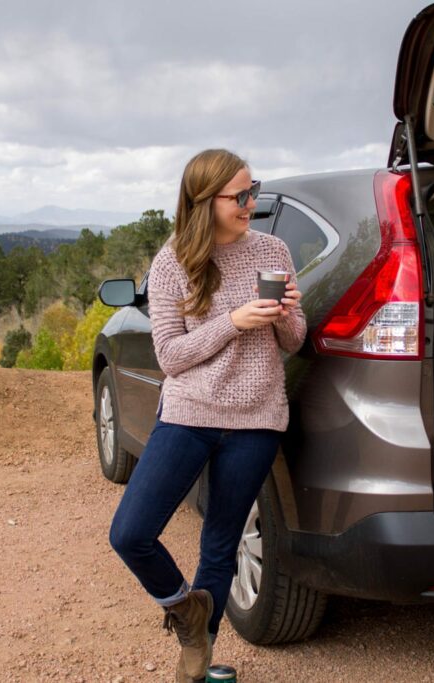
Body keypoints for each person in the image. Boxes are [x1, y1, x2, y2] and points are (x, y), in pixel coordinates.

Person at [109, 149, 306, 682]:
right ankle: (184, 608)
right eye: (238, 196)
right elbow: (171, 355)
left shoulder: (272, 248)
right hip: (189, 414)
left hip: (257, 420)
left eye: (253, 190)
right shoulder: (173, 260)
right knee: (130, 533)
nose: (251, 203)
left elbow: (294, 339)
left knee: (219, 546)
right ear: (204, 201)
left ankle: (199, 654)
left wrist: (286, 312)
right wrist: (234, 322)